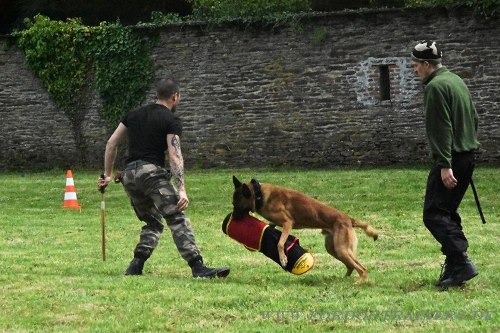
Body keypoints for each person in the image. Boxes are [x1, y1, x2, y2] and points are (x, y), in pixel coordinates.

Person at [97, 79, 230, 278]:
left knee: (153, 222)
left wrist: (107, 175)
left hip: (130, 176)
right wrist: (181, 189)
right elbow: (175, 155)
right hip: (151, 174)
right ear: (175, 97)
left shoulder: (133, 115)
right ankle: (198, 267)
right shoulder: (170, 120)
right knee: (176, 217)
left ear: (158, 95)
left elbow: (111, 143)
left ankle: (136, 265)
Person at [411, 40, 480, 288]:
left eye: (416, 65)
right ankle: (455, 266)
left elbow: (441, 128)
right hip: (466, 154)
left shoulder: (436, 87)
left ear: (427, 64)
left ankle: (461, 262)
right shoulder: (455, 80)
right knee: (446, 211)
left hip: (452, 157)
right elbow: (474, 117)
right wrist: (468, 148)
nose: (415, 70)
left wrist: (445, 164)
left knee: (434, 213)